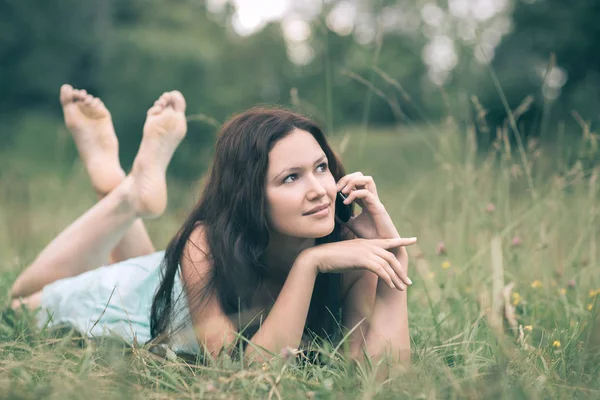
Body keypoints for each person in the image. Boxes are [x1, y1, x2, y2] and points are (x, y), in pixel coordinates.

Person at [8, 85, 417, 365]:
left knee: (161, 274)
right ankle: (125, 196)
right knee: (21, 302)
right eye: (290, 178)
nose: (318, 190)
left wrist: (393, 263)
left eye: (321, 168)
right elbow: (240, 372)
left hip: (172, 284)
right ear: (249, 195)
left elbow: (379, 375)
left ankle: (119, 186)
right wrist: (309, 265)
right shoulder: (204, 243)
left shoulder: (350, 252)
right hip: (143, 299)